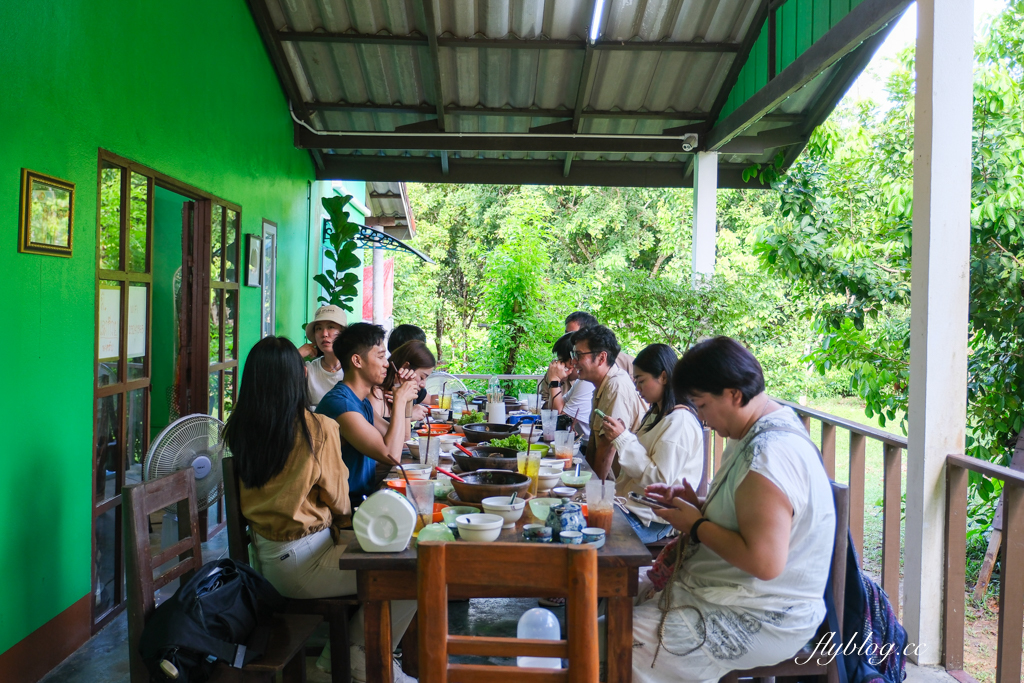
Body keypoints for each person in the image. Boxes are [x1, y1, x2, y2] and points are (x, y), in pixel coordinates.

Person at [619, 336, 836, 682]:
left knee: (613, 644)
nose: (702, 419)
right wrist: (699, 505)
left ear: (734, 394)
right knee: (610, 606)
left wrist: (697, 525)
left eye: (702, 405)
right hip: (725, 595)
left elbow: (764, 562)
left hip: (759, 613)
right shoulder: (756, 431)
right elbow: (755, 516)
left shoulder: (770, 455)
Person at [224, 336, 417, 683]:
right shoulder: (316, 429)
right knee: (411, 572)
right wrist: (347, 524)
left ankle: (339, 657)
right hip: (305, 564)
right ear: (297, 378)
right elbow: (340, 502)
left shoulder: (239, 429)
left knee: (392, 555)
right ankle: (358, 655)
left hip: (264, 563)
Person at [596, 344, 704, 544]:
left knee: (586, 531)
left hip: (652, 520)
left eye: (641, 381)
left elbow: (659, 480)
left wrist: (623, 439)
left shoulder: (680, 421)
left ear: (663, 377)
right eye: (635, 381)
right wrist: (624, 436)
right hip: (632, 507)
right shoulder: (657, 414)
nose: (637, 388)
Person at [317, 323, 421, 506]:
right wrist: (399, 400)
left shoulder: (360, 400)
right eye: (380, 356)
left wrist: (406, 396)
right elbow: (392, 455)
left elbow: (402, 439)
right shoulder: (341, 405)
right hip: (344, 510)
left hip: (363, 499)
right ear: (357, 361)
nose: (386, 363)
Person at [573, 325, 644, 480]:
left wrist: (592, 492)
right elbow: (594, 442)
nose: (574, 361)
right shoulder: (601, 386)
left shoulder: (616, 386)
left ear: (601, 358)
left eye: (578, 355)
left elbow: (607, 449)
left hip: (622, 492)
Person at [370, 340, 434, 435]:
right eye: (421, 377)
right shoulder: (376, 395)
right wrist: (408, 412)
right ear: (405, 367)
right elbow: (404, 441)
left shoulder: (408, 393)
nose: (423, 384)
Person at [542, 332, 594, 441]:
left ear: (571, 362)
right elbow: (554, 412)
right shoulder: (580, 381)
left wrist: (555, 380)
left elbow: (560, 419)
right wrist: (557, 382)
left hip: (586, 446)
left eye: (561, 361)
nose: (559, 365)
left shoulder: (586, 382)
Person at [297, 305, 347, 407]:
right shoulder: (309, 370)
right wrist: (297, 354)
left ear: (343, 333)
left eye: (331, 327)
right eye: (319, 328)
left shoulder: (355, 368)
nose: (324, 334)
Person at [564, 311, 634, 378]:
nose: (568, 339)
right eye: (566, 334)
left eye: (573, 334)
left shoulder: (625, 362)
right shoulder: (561, 363)